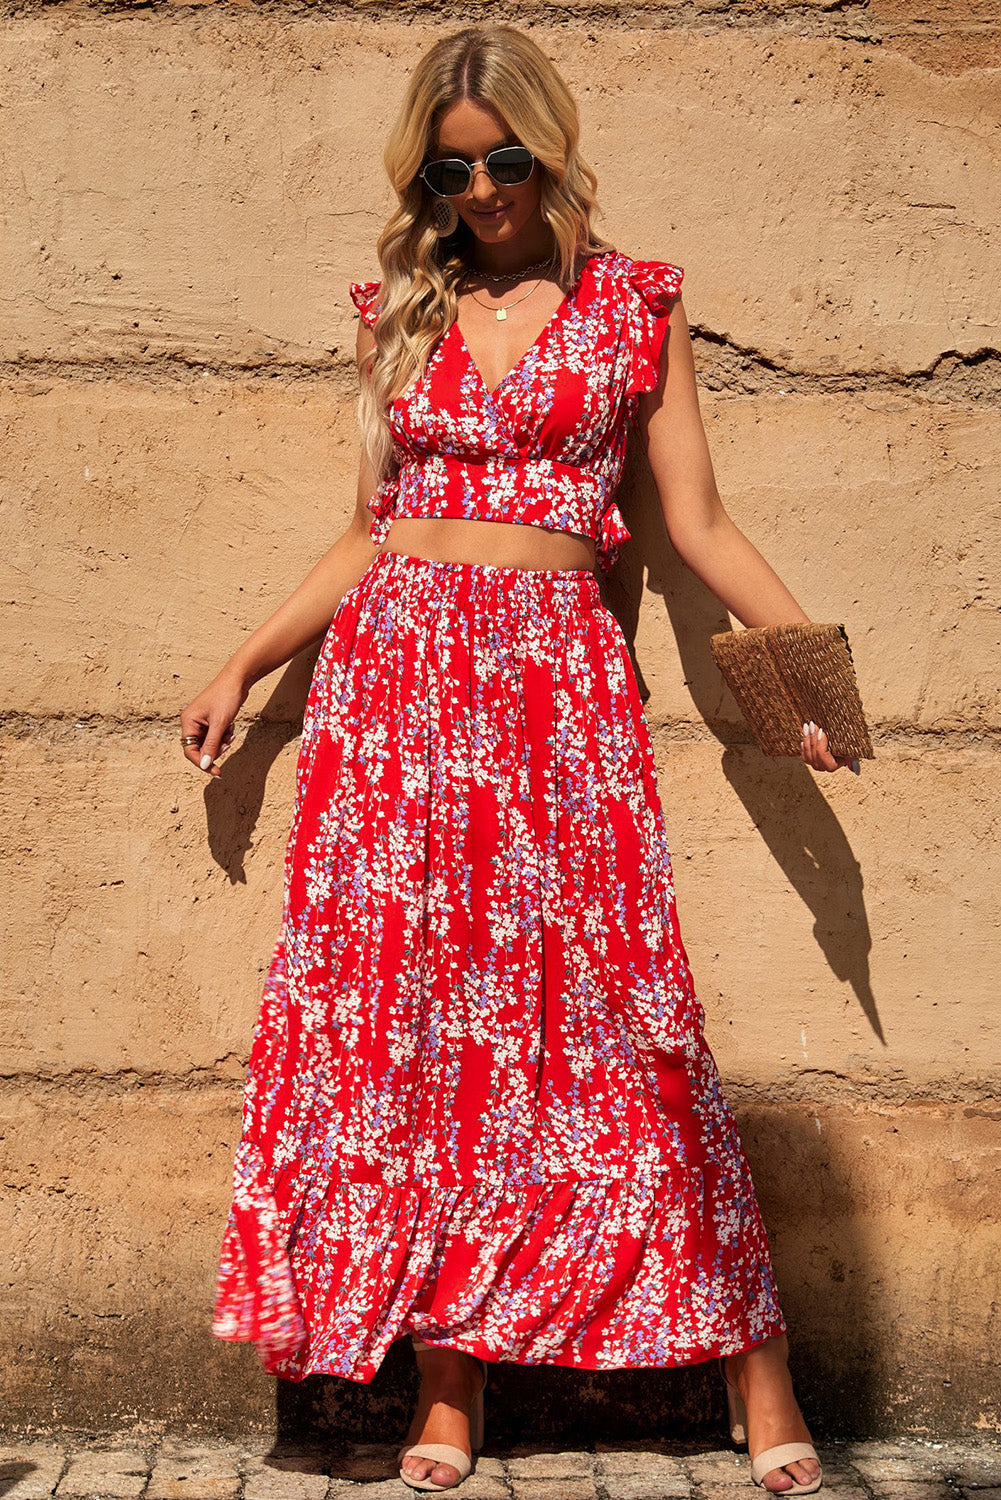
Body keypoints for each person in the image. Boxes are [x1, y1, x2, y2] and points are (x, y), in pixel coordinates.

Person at [181, 23, 851, 1498]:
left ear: (549, 147)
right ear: (423, 169)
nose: (480, 188)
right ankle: (447, 1390)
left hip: (553, 693)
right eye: (450, 163)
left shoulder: (635, 304)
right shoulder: (402, 309)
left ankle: (757, 1365)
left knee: (633, 1027)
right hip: (395, 693)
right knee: (420, 1043)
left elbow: (699, 527)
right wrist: (249, 658)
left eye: (505, 158)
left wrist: (809, 679)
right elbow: (366, 531)